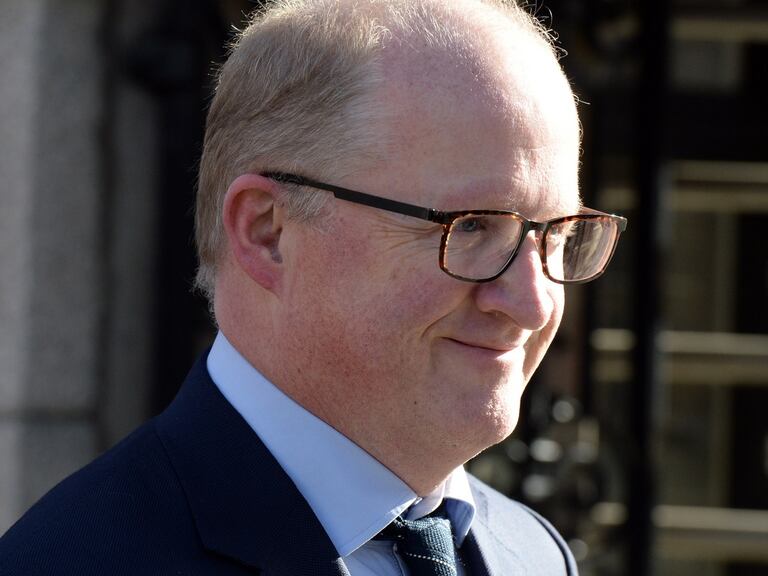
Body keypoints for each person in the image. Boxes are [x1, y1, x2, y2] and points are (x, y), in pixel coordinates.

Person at [0, 0, 626, 574]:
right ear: (268, 232)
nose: (533, 302)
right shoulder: (78, 560)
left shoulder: (533, 553)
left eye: (556, 235)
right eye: (473, 228)